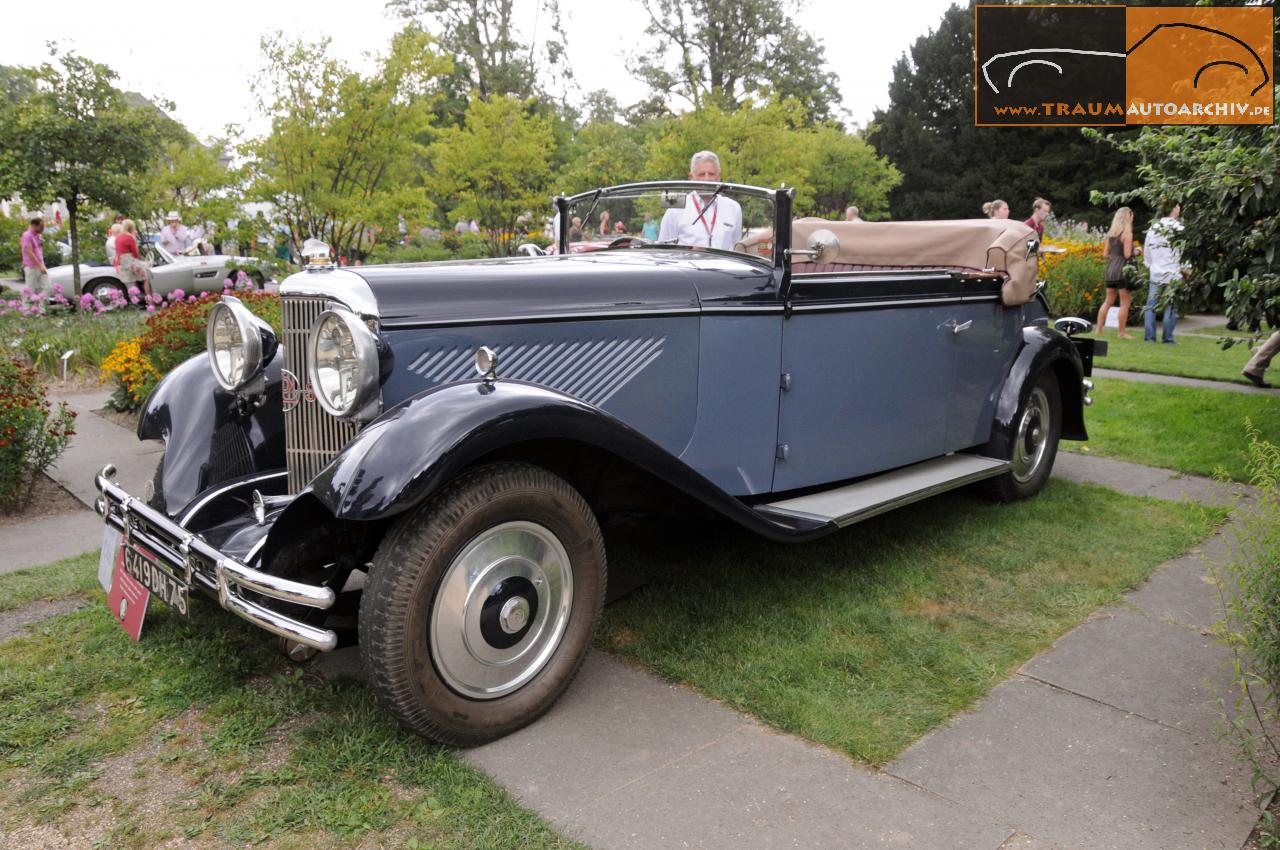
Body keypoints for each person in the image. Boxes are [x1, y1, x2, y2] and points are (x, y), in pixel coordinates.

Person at [658, 150, 743, 251]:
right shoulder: (676, 203)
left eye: (711, 174)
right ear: (691, 177)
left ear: (719, 177)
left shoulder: (733, 207)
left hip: (723, 266)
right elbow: (663, 250)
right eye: (702, 174)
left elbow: (736, 248)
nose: (707, 179)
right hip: (687, 265)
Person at [1095, 207, 1139, 339]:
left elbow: (1105, 254)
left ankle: (1098, 330)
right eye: (1132, 215)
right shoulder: (1127, 234)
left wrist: (1114, 258)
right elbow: (1127, 255)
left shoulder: (1111, 234)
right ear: (1128, 217)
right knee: (1125, 303)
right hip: (1122, 270)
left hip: (1110, 270)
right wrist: (1136, 252)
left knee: (1108, 301)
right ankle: (1122, 333)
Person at [1143, 202, 1184, 344]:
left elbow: (1147, 251)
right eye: (1178, 206)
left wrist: (1151, 265)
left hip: (1156, 271)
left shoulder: (1153, 228)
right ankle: (1168, 337)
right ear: (1174, 209)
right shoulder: (1179, 228)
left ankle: (1149, 337)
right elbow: (1183, 251)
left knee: (1151, 305)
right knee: (1171, 306)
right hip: (1174, 272)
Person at [115, 219, 151, 297]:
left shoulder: (118, 237)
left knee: (130, 283)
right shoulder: (130, 237)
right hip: (130, 260)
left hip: (122, 261)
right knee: (145, 277)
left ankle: (134, 301)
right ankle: (149, 298)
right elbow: (136, 253)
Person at [20, 216, 50, 295]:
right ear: (34, 225)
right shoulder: (27, 235)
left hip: (41, 265)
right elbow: (29, 252)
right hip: (32, 267)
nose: (43, 229)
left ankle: (40, 306)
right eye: (41, 227)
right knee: (29, 290)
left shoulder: (37, 235)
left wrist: (42, 265)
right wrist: (40, 266)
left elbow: (39, 250)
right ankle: (26, 307)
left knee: (47, 287)